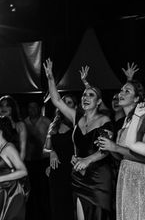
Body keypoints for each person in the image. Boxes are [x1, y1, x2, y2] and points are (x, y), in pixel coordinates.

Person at [44, 59, 113, 220]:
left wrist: (88, 159)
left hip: (98, 177)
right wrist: (50, 78)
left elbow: (106, 149)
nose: (85, 97)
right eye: (84, 95)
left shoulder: (105, 120)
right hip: (79, 176)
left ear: (99, 102)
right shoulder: (77, 118)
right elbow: (57, 100)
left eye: (91, 95)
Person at [97, 80, 145, 220]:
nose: (121, 93)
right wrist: (110, 146)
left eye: (127, 91)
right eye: (121, 90)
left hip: (141, 178)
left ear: (136, 98)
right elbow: (122, 158)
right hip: (126, 176)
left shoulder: (143, 119)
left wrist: (115, 147)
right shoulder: (125, 122)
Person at [44, 95, 77, 220]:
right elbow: (44, 149)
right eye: (64, 102)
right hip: (56, 171)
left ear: (75, 106)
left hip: (73, 170)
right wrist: (51, 151)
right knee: (57, 207)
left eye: (70, 102)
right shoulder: (53, 125)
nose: (66, 105)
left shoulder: (78, 123)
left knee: (71, 207)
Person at [24, 100, 51, 220]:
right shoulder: (24, 122)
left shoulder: (46, 121)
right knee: (31, 190)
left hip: (44, 160)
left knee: (43, 190)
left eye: (34, 107)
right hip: (29, 161)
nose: (32, 110)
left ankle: (45, 215)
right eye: (30, 107)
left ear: (39, 109)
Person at [0, 96, 27, 161]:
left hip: (14, 162)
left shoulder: (20, 125)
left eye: (7, 106)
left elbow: (23, 151)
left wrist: (19, 166)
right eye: (1, 106)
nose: (3, 108)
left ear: (12, 108)